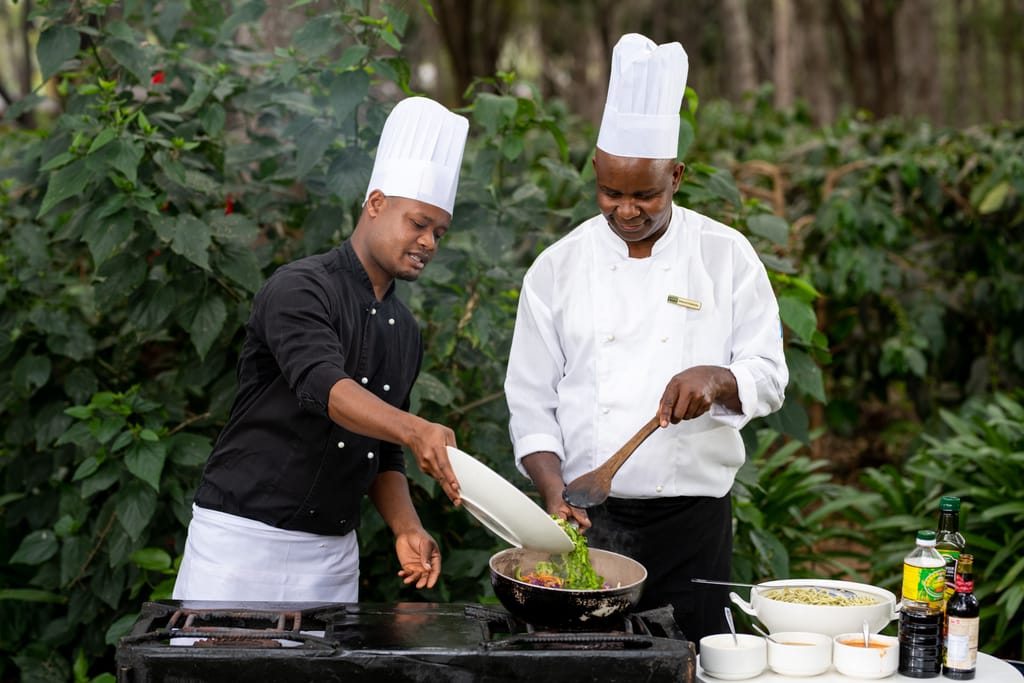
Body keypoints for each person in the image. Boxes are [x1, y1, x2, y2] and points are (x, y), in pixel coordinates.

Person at [504, 34, 788, 644]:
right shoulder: (558, 267)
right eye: (611, 192)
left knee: (685, 664)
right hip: (586, 523)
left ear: (678, 176)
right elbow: (530, 402)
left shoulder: (726, 255)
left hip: (693, 529)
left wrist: (720, 380)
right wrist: (555, 494)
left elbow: (769, 374)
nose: (625, 209)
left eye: (644, 194)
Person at [173, 96, 469, 603]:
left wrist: (406, 527)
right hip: (242, 542)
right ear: (376, 204)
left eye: (438, 232)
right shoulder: (300, 288)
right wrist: (417, 428)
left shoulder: (405, 329)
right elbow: (323, 387)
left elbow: (385, 449)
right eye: (418, 223)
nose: (428, 242)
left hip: (332, 555)